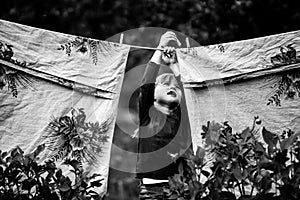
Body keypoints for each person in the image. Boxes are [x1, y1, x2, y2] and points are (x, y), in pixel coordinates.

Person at [135, 31, 193, 198]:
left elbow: (188, 93)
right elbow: (147, 84)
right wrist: (159, 50)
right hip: (151, 189)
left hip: (179, 187)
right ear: (153, 96)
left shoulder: (181, 118)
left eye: (175, 87)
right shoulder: (147, 116)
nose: (171, 87)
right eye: (166, 83)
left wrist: (175, 65)